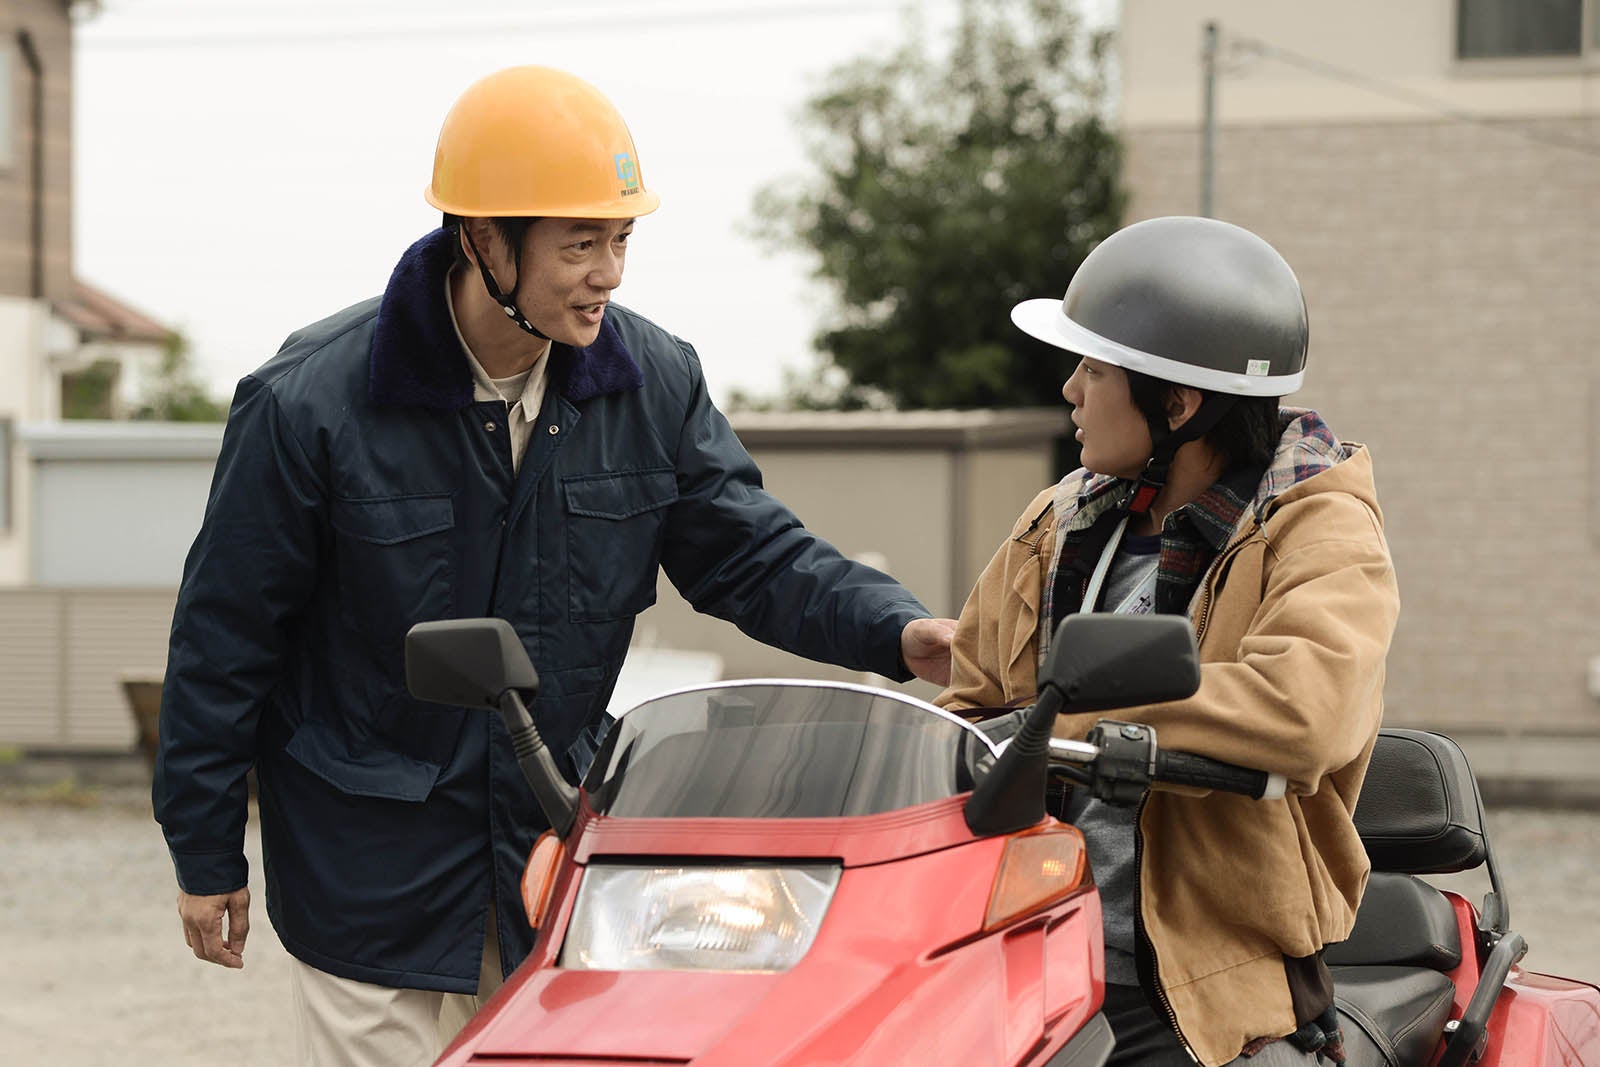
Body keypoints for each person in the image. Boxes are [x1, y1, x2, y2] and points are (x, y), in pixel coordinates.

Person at [154, 65, 955, 1067]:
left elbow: (750, 549)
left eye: (620, 240)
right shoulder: (310, 401)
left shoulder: (652, 383)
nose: (608, 274)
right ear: (484, 239)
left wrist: (898, 628)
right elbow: (225, 634)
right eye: (579, 244)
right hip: (368, 858)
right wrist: (204, 846)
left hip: (554, 844)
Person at [938, 216, 1399, 1066]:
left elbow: (1306, 709)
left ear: (1177, 404)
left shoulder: (1318, 526)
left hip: (1192, 979)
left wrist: (1067, 721)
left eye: (1094, 369)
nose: (1071, 390)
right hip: (1012, 947)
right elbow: (966, 707)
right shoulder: (1059, 520)